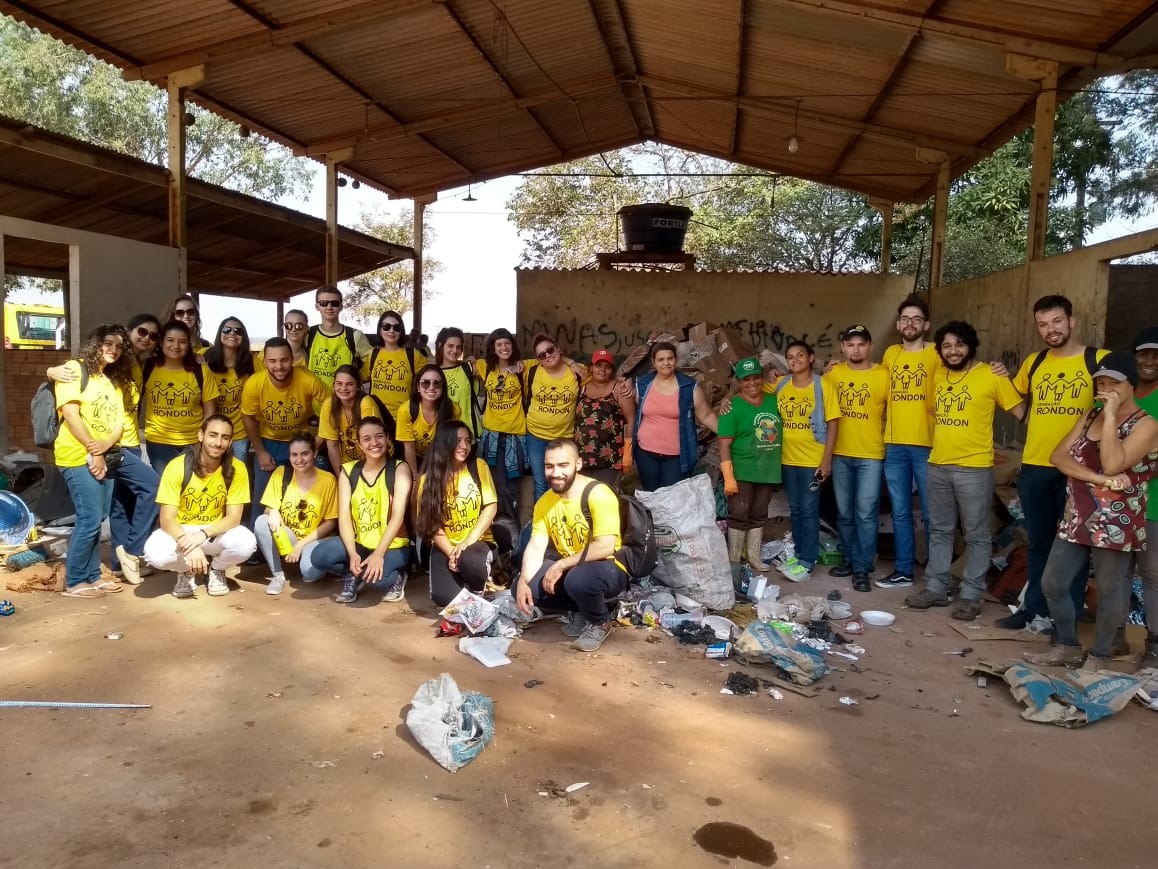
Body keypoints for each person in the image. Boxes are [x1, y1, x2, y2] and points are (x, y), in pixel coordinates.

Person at [1025, 352, 1158, 668]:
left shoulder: (1148, 425)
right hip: (1078, 514)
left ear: (1130, 384)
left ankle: (1099, 656)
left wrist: (1110, 417)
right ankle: (1068, 645)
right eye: (1101, 382)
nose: (1106, 387)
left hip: (1118, 520)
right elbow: (1059, 456)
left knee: (1110, 591)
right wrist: (1097, 478)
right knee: (1053, 583)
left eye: (1115, 382)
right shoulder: (1088, 416)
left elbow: (1115, 461)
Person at [998, 295, 1109, 630]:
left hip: (1077, 471)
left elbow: (1117, 407)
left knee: (1074, 547)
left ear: (1071, 321)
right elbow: (1013, 397)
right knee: (1039, 542)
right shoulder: (1034, 362)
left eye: (1057, 321)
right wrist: (1026, 414)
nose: (1051, 330)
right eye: (1043, 324)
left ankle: (1066, 618)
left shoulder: (1098, 360)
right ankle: (1032, 610)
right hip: (1035, 467)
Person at [903, 322, 1023, 620]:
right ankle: (936, 588)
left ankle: (971, 595)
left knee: (977, 535)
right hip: (938, 465)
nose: (953, 351)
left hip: (974, 468)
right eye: (946, 346)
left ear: (970, 346)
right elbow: (934, 412)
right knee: (940, 530)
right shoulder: (937, 375)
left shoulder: (990, 376)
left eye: (959, 345)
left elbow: (1022, 413)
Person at [516, 438, 627, 652]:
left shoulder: (598, 493)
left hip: (608, 567)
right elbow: (536, 546)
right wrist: (523, 581)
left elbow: (606, 546)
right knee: (522, 588)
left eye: (563, 465)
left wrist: (560, 565)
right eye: (549, 466)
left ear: (577, 464)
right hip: (573, 566)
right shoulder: (545, 502)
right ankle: (579, 609)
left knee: (578, 580)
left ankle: (600, 621)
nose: (556, 472)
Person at [55, 324, 134, 598]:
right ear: (95, 344)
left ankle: (91, 575)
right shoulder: (75, 370)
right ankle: (75, 580)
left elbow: (119, 424)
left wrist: (104, 447)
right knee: (88, 517)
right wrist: (94, 449)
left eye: (119, 346)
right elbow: (70, 412)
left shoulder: (110, 380)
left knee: (99, 517)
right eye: (108, 343)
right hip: (76, 456)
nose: (113, 350)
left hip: (105, 455)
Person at [143, 415, 257, 598]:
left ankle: (216, 569)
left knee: (247, 544)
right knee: (154, 553)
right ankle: (186, 570)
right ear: (201, 435)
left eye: (225, 438)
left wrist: (202, 536)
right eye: (213, 435)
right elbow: (166, 518)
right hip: (182, 531)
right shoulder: (177, 466)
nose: (218, 443)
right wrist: (190, 546)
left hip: (213, 532)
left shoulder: (237, 468)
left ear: (230, 442)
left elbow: (234, 517)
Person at [308, 417, 412, 603]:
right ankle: (354, 571)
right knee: (319, 556)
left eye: (379, 436)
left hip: (392, 543)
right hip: (361, 541)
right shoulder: (348, 471)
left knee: (377, 581)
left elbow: (398, 516)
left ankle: (397, 575)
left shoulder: (399, 468)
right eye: (367, 439)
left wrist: (379, 554)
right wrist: (352, 554)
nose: (374, 443)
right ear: (359, 444)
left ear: (387, 439)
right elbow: (345, 518)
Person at [824, 325, 890, 591]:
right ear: (843, 348)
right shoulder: (833, 374)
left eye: (861, 344)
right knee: (845, 513)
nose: (856, 349)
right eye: (850, 344)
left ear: (870, 346)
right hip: (840, 453)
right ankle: (850, 560)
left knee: (866, 513)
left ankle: (863, 568)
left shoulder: (884, 375)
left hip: (871, 455)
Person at [879, 295, 938, 589]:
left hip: (927, 443)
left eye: (916, 319)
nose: (910, 323)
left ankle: (935, 575)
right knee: (900, 511)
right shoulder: (890, 354)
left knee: (931, 513)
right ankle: (903, 570)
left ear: (926, 324)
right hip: (894, 444)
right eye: (905, 318)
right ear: (898, 323)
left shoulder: (938, 353)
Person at [770, 340, 840, 582]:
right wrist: (728, 400)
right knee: (797, 508)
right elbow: (753, 390)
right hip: (788, 458)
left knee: (809, 509)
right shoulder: (781, 384)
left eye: (800, 355)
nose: (795, 360)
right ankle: (798, 554)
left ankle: (807, 562)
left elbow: (833, 423)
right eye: (790, 357)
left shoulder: (823, 386)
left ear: (811, 358)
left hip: (812, 459)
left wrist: (826, 460)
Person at [240, 338, 328, 524]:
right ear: (264, 361)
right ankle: (255, 543)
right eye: (272, 361)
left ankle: (308, 537)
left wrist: (318, 441)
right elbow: (248, 417)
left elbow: (332, 406)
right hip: (269, 442)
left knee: (310, 492)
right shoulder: (255, 383)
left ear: (292, 359)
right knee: (261, 498)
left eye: (284, 360)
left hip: (301, 441)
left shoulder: (307, 380)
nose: (279, 366)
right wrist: (261, 451)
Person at [416, 421, 504, 606]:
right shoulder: (428, 480)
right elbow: (432, 525)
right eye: (457, 441)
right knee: (444, 598)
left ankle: (478, 585)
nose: (464, 446)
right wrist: (451, 553)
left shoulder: (478, 466)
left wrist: (467, 542)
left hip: (478, 541)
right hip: (446, 545)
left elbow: (491, 507)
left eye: (467, 440)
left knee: (471, 562)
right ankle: (468, 582)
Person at [253, 433, 338, 595]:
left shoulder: (328, 480)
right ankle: (278, 575)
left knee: (309, 574)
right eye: (294, 455)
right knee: (261, 522)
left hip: (313, 539)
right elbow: (268, 509)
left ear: (315, 453)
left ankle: (308, 562)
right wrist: (273, 511)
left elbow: (331, 522)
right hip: (289, 536)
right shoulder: (281, 473)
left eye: (305, 454)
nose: (299, 460)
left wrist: (300, 546)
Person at [719, 357, 783, 573]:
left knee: (758, 512)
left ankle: (754, 558)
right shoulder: (732, 406)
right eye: (746, 380)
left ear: (762, 378)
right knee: (739, 512)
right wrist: (728, 476)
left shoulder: (774, 400)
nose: (752, 383)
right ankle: (734, 561)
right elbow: (724, 444)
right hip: (742, 470)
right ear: (739, 382)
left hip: (767, 468)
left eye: (756, 378)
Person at [633, 341, 718, 492]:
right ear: (653, 362)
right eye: (660, 359)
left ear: (675, 360)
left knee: (672, 497)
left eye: (670, 358)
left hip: (677, 455)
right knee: (651, 496)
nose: (666, 363)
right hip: (645, 452)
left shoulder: (688, 387)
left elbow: (706, 416)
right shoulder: (642, 384)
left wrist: (731, 434)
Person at [141, 320, 219, 474]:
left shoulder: (200, 370)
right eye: (170, 340)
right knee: (167, 488)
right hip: (159, 441)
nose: (176, 346)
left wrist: (202, 440)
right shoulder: (147, 367)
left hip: (192, 442)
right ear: (161, 342)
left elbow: (210, 410)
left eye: (182, 342)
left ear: (189, 345)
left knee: (188, 485)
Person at [524, 333, 585, 500]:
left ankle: (563, 522)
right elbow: (505, 362)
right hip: (536, 437)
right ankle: (540, 524)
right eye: (542, 355)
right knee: (541, 484)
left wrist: (626, 382)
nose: (547, 355)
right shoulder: (532, 369)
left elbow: (604, 377)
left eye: (550, 350)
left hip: (563, 438)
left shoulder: (577, 371)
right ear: (538, 360)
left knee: (564, 483)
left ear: (558, 349)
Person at [475, 328, 528, 511]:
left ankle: (512, 531)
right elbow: (466, 364)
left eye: (507, 343)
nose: (504, 347)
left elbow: (548, 359)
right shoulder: (485, 366)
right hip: (492, 436)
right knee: (494, 485)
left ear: (513, 345)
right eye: (499, 344)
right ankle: (496, 529)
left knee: (514, 487)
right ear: (493, 347)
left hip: (516, 435)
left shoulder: (524, 368)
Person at [1132, 327, 1158, 665]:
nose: (1150, 361)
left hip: (1153, 500)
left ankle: (1154, 643)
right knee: (1120, 572)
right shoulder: (1122, 392)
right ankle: (1117, 636)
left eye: (1157, 355)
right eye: (1143, 354)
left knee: (1151, 572)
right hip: (1118, 502)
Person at [575, 349, 636, 487]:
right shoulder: (581, 388)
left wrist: (627, 454)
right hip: (581, 459)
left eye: (607, 366)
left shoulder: (620, 389)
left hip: (609, 460)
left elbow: (631, 421)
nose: (602, 370)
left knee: (605, 500)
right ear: (591, 367)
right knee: (583, 502)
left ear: (612, 370)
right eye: (598, 365)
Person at [203, 317, 256, 461]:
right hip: (212, 430)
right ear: (220, 334)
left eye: (238, 331)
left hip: (238, 433)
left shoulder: (251, 362)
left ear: (243, 337)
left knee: (236, 474)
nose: (232, 333)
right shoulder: (204, 356)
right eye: (227, 329)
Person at [396, 364, 459, 479]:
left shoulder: (453, 410)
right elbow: (409, 447)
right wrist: (415, 478)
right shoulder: (406, 410)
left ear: (443, 387)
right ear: (418, 388)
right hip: (415, 458)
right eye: (425, 383)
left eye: (437, 383)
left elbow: (452, 445)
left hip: (441, 458)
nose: (431, 387)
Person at [303, 286, 371, 388]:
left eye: (334, 303)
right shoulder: (308, 334)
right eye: (323, 303)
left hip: (345, 401)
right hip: (314, 401)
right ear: (317, 306)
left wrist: (357, 377)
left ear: (341, 307)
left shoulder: (354, 336)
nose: (329, 307)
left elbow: (375, 361)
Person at [318, 364, 382, 472]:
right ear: (333, 386)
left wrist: (363, 475)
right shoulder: (329, 405)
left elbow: (372, 445)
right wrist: (340, 476)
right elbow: (332, 445)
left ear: (358, 386)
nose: (343, 388)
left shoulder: (366, 404)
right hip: (347, 463)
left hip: (374, 458)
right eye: (339, 384)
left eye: (350, 384)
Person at [364, 310, 425, 422]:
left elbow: (433, 373)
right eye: (386, 327)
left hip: (404, 419)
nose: (391, 330)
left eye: (396, 327)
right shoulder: (373, 354)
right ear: (380, 330)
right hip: (376, 419)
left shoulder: (412, 355)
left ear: (401, 331)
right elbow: (358, 378)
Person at [435, 326, 481, 439]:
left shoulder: (469, 368)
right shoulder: (434, 373)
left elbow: (496, 369)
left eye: (458, 347)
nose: (455, 351)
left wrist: (518, 363)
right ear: (441, 345)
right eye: (450, 346)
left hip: (470, 433)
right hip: (445, 435)